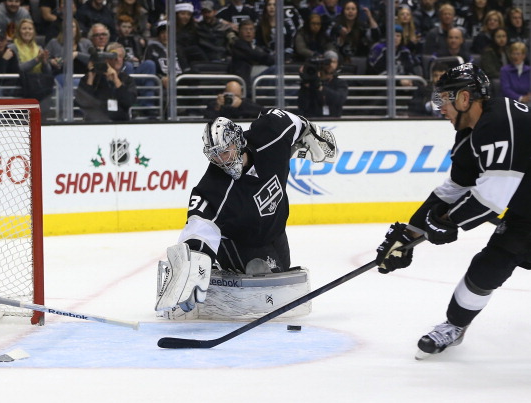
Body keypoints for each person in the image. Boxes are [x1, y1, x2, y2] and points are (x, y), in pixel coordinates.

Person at [374, 63, 531, 359]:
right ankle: (454, 326)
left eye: (443, 99)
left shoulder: (501, 121)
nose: (440, 108)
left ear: (464, 98)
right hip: (526, 213)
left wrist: (447, 221)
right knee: (488, 267)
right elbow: (453, 190)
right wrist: (409, 234)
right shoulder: (469, 136)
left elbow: (491, 198)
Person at [155, 109, 338, 313]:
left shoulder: (270, 136)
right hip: (239, 242)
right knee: (260, 285)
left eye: (225, 151)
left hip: (275, 232)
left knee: (279, 283)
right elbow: (199, 226)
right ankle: (219, 268)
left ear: (238, 141)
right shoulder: (213, 186)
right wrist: (191, 264)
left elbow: (287, 120)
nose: (221, 160)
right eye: (215, 155)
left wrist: (311, 130)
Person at [75, 42, 138, 122]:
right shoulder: (93, 78)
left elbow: (129, 102)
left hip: (120, 122)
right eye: (114, 56)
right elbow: (82, 102)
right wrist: (91, 75)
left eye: (120, 56)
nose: (117, 59)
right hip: (96, 122)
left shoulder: (127, 80)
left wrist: (116, 80)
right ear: (106, 58)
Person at [298, 50, 348, 118]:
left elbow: (339, 100)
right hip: (312, 120)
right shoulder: (310, 83)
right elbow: (302, 105)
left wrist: (320, 88)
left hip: (334, 120)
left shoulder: (340, 83)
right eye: (328, 62)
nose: (330, 65)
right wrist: (306, 84)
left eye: (333, 62)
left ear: (337, 64)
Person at [229, 18, 275, 90]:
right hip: (246, 85)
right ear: (239, 31)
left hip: (252, 81)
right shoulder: (239, 45)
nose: (248, 32)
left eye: (251, 29)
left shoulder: (255, 47)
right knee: (275, 69)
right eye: (245, 29)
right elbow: (261, 57)